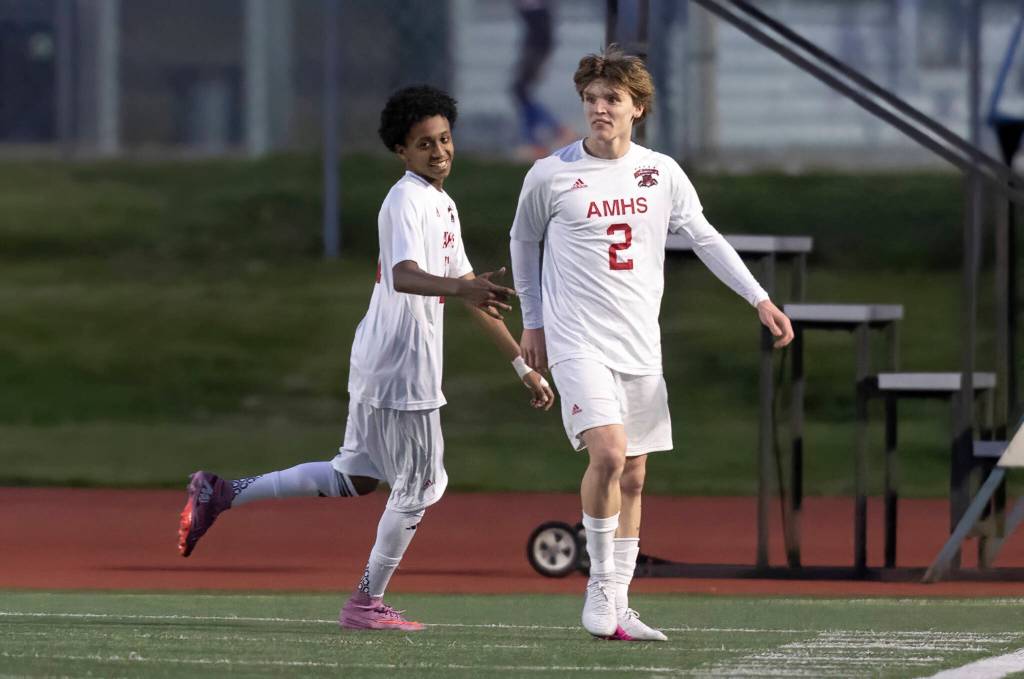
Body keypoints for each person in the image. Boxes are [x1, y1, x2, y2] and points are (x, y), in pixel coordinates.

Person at [178, 85, 555, 632]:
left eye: (444, 139)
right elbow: (405, 275)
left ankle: (221, 492)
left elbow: (471, 288)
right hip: (401, 364)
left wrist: (521, 364)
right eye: (424, 143)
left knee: (355, 476)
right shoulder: (405, 199)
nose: (439, 150)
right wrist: (460, 289)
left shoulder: (441, 203)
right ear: (401, 151)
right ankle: (364, 602)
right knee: (422, 485)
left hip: (382, 358)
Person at [509, 47, 793, 641]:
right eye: (590, 99)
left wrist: (759, 297)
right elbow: (522, 243)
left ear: (637, 107)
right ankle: (596, 587)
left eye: (611, 98)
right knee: (608, 455)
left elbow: (705, 237)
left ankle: (619, 603)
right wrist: (533, 323)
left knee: (635, 475)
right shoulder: (551, 173)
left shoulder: (660, 172)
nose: (599, 109)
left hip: (638, 342)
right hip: (576, 340)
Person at [510, 0, 574, 159]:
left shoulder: (538, 9)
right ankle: (545, 136)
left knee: (520, 91)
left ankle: (550, 134)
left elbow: (543, 30)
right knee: (521, 92)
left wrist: (538, 57)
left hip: (537, 48)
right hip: (535, 47)